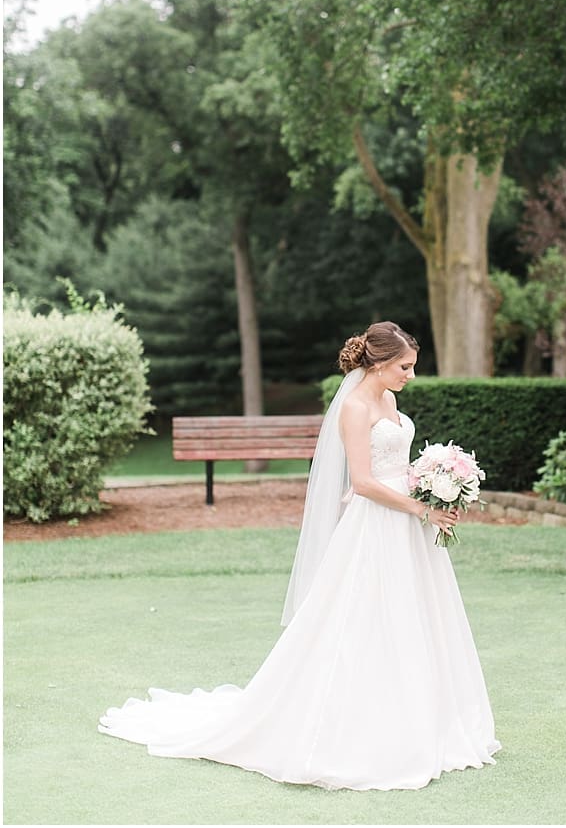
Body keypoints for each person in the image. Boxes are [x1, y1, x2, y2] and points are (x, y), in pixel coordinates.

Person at [100, 322, 500, 790]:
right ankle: (351, 727)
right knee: (361, 619)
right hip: (375, 525)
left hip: (407, 524)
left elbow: (394, 467)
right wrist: (420, 508)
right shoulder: (353, 408)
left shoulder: (389, 402)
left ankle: (419, 720)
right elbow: (364, 482)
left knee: (414, 617)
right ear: (378, 363)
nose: (410, 375)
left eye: (411, 367)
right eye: (404, 367)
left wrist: (435, 484)